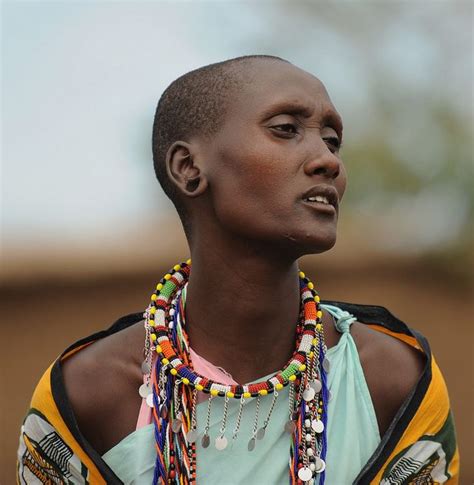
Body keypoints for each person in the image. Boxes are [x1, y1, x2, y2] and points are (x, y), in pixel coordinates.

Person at [17, 55, 459, 485]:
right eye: (286, 129)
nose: (328, 161)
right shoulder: (88, 393)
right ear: (189, 168)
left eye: (331, 140)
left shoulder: (391, 379)